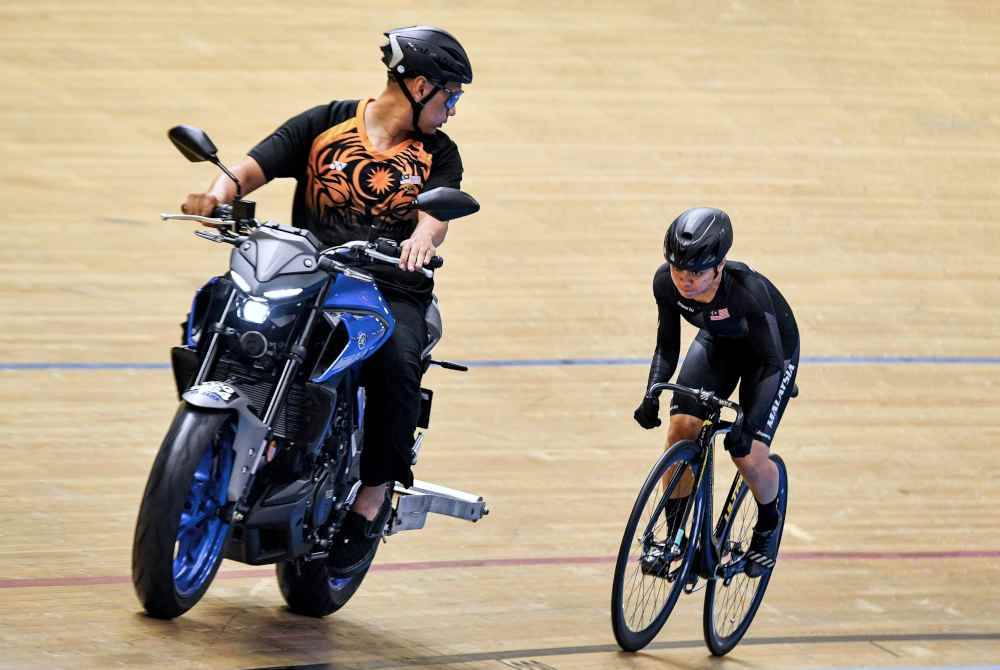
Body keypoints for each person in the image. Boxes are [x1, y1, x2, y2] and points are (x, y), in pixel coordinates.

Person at [179, 25, 473, 575]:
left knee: (395, 361)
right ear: (418, 84)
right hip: (308, 274)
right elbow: (251, 168)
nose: (453, 109)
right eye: (450, 94)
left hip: (388, 288)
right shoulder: (325, 123)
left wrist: (419, 239)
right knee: (223, 303)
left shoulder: (439, 153)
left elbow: (436, 217)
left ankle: (373, 494)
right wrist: (217, 196)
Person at [633, 207, 799, 577]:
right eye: (678, 269)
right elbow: (666, 346)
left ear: (719, 267)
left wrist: (750, 423)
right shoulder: (665, 284)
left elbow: (772, 363)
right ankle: (676, 539)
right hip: (719, 343)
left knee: (747, 455)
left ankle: (767, 526)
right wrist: (651, 395)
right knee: (680, 433)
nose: (685, 281)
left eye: (695, 272)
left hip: (770, 355)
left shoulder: (747, 293)